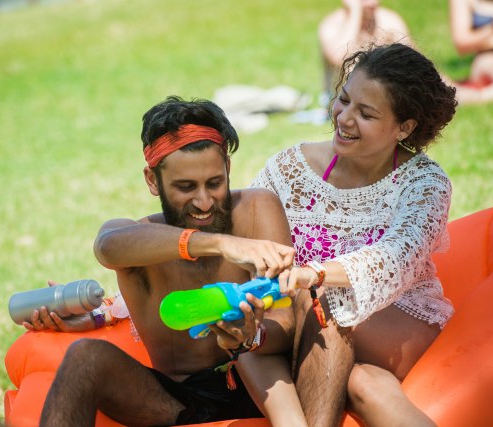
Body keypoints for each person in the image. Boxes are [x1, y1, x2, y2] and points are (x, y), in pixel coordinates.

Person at [34, 96, 307, 427]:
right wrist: (221, 244)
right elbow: (107, 246)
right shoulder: (138, 237)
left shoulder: (255, 208)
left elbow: (286, 322)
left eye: (215, 183)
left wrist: (252, 336)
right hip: (180, 399)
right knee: (83, 357)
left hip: (263, 383)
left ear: (228, 168)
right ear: (152, 180)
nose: (204, 202)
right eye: (185, 187)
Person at [252, 43, 458, 426]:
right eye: (344, 100)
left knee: (321, 300)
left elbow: (398, 256)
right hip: (313, 322)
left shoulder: (425, 183)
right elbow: (245, 229)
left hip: (399, 320)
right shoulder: (289, 167)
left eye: (365, 113)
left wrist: (314, 274)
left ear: (405, 127)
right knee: (365, 385)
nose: (344, 118)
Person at [317, 0, 411, 104]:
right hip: (343, 102)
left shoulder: (389, 20)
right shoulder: (333, 24)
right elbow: (339, 58)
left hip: (386, 99)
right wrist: (355, 12)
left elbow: (411, 61)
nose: (372, 3)